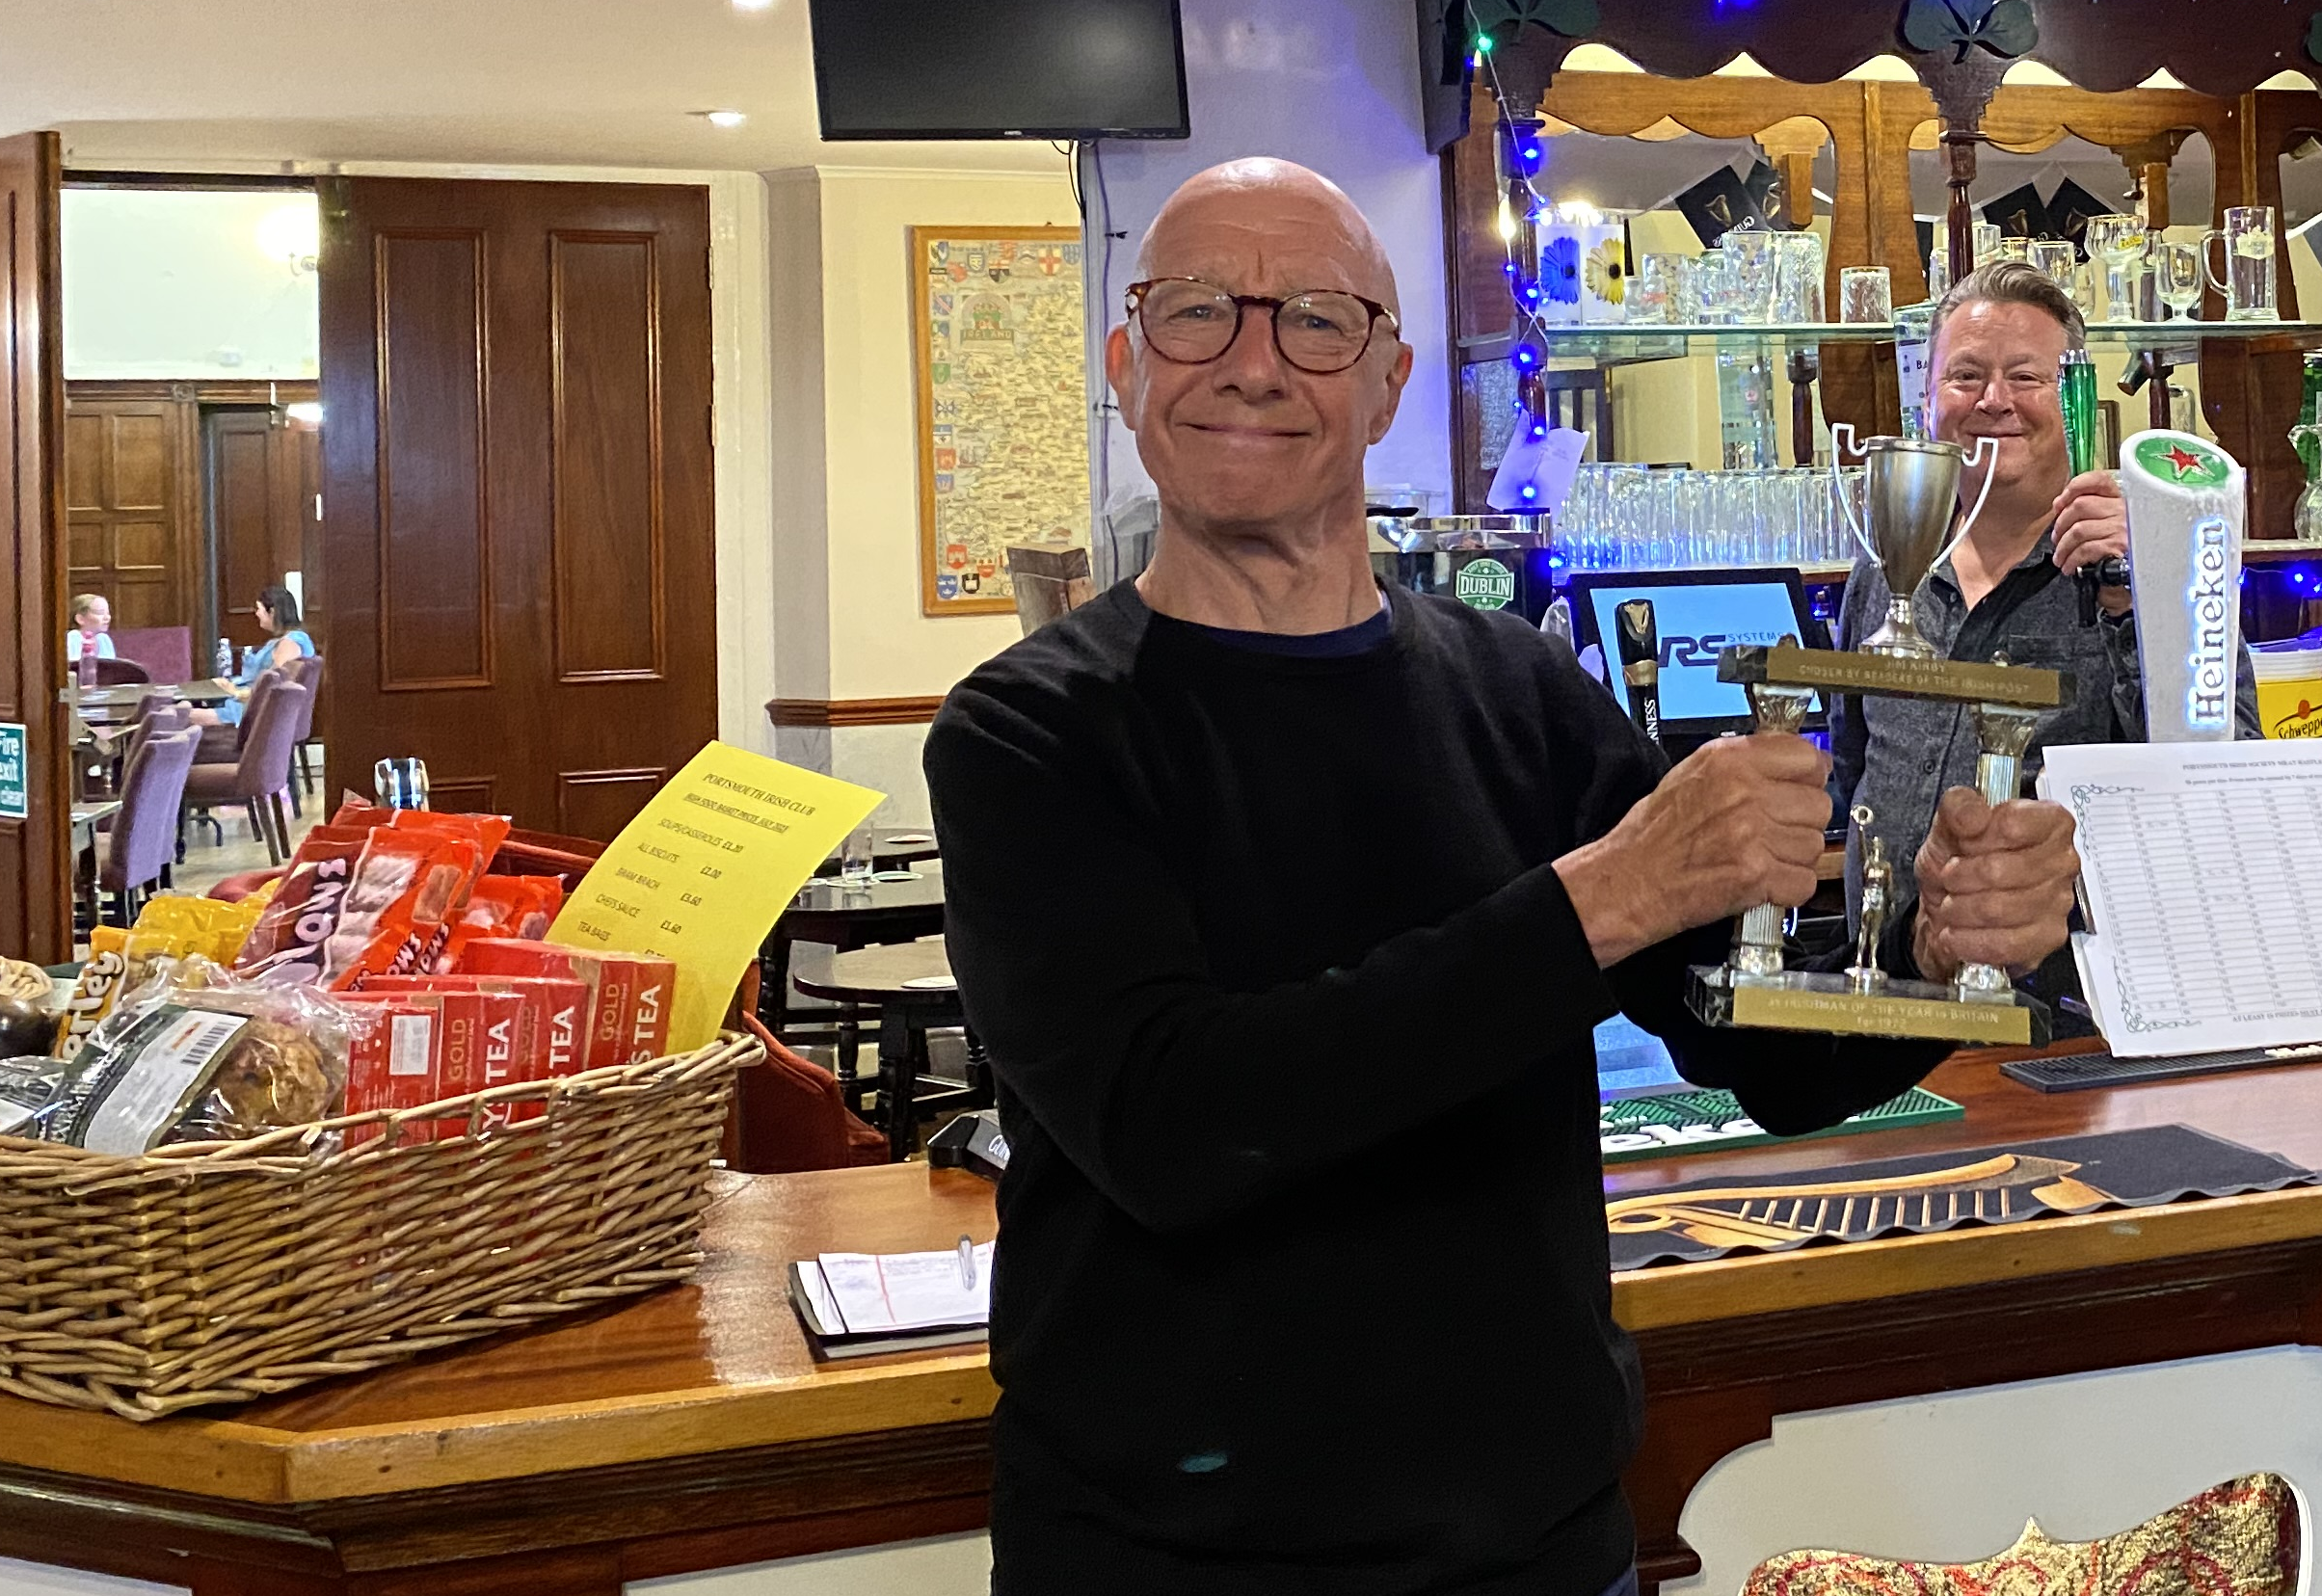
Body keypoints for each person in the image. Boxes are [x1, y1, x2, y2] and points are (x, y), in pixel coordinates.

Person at [924, 159, 2083, 1596]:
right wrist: (1606, 897)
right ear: (1124, 362)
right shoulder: (1028, 734)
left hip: (1539, 1545)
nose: (1253, 363)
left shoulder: (1518, 694)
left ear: (1391, 382)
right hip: (1173, 1563)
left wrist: (1927, 957)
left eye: (1316, 321)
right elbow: (1176, 1128)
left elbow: (1758, 1045)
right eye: (1197, 311)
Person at [1829, 260, 2259, 1004]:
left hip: (2068, 1026)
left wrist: (2138, 599)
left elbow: (2227, 782)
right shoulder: (1883, 568)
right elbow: (1852, 765)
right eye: (1965, 376)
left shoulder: (2152, 563)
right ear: (1927, 402)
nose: (1993, 400)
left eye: (2025, 377)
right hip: (1885, 1004)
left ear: (2075, 400)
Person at [191, 585, 314, 728]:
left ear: (272, 612)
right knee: (186, 707)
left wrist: (236, 692)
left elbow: (274, 683)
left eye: (258, 609)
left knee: (182, 714)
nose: (256, 614)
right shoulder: (282, 640)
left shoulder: (291, 642)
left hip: (254, 709)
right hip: (250, 702)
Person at [65, 594, 115, 666]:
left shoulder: (104, 639)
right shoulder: (73, 637)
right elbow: (72, 666)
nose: (107, 618)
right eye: (100, 613)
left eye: (108, 613)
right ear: (80, 619)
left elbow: (112, 667)